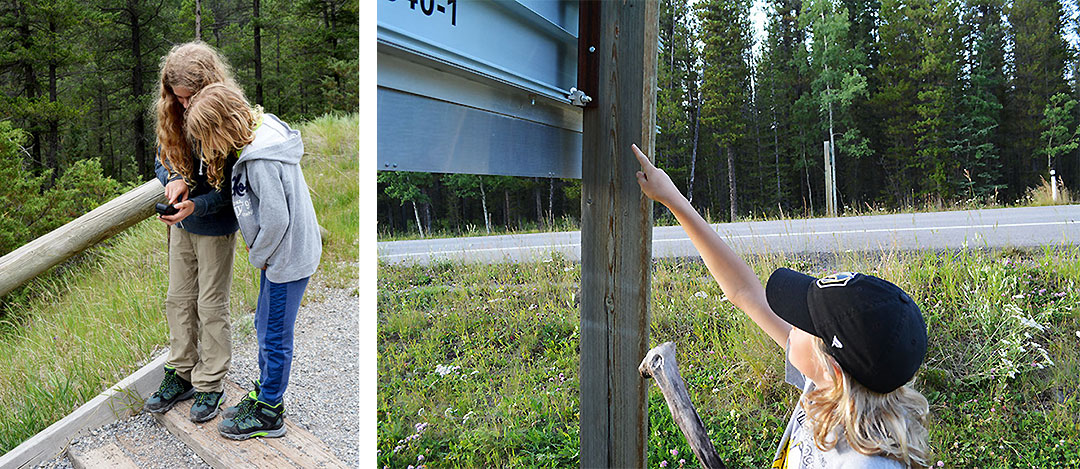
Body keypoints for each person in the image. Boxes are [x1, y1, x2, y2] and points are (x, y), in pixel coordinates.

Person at [631, 144, 931, 468]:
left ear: (833, 370)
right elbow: (744, 291)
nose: (789, 323)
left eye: (802, 322)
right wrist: (673, 199)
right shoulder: (834, 393)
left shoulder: (864, 464)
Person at [183, 83, 322, 440]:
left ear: (222, 126)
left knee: (274, 335)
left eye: (205, 137)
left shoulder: (258, 159)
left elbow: (276, 219)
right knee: (264, 322)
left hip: (283, 257)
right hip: (281, 252)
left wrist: (258, 255)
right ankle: (264, 392)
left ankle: (270, 410)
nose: (205, 147)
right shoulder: (259, 132)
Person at [144, 41, 240, 423]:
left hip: (215, 225)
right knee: (178, 299)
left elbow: (232, 190)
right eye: (178, 99)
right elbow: (161, 157)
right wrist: (175, 179)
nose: (184, 107)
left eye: (189, 99)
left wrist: (196, 204)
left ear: (207, 88)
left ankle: (211, 383)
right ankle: (181, 372)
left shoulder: (224, 116)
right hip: (182, 223)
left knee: (211, 304)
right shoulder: (173, 113)